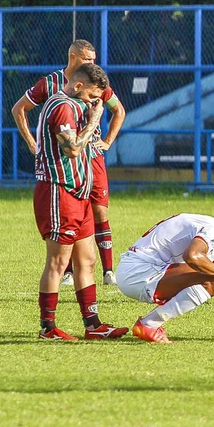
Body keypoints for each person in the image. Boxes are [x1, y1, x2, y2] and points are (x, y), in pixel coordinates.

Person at [12, 39, 126, 287]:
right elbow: (19, 109)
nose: (92, 64)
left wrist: (106, 141)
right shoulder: (52, 84)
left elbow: (119, 110)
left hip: (91, 156)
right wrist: (33, 144)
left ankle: (107, 271)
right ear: (73, 58)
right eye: (87, 59)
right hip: (63, 162)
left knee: (97, 210)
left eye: (94, 60)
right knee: (67, 214)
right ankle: (66, 273)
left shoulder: (94, 80)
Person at [33, 63, 127, 341]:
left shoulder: (75, 106)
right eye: (90, 97)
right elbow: (72, 149)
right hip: (59, 192)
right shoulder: (63, 105)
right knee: (58, 263)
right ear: (78, 87)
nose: (93, 104)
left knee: (86, 261)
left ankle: (93, 324)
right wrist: (94, 121)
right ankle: (48, 328)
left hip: (79, 195)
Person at [118, 214, 214, 343]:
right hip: (138, 272)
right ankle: (149, 324)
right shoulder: (213, 232)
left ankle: (149, 324)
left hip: (139, 271)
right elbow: (191, 256)